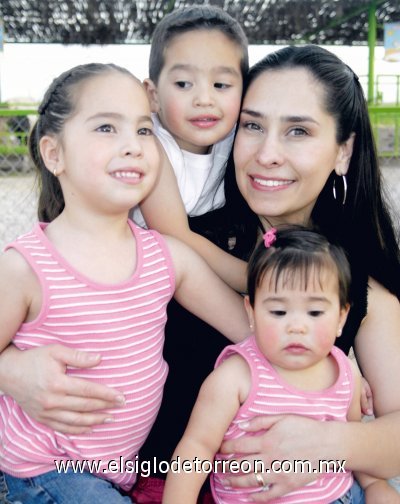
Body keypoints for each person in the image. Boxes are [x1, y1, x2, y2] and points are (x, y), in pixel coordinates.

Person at [1, 44, 399, 502]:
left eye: (298, 131)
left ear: (343, 150)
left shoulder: (362, 289)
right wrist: (11, 371)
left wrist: (327, 445)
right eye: (252, 125)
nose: (267, 153)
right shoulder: (178, 240)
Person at [0, 62, 250, 503]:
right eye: (105, 128)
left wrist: (323, 361)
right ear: (53, 154)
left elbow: (248, 329)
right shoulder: (26, 267)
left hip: (123, 471)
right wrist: (11, 371)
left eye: (143, 130)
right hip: (45, 473)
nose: (132, 146)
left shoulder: (166, 257)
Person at [163, 226, 399, 503]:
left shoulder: (347, 375)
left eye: (314, 312)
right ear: (251, 312)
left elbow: (352, 442)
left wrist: (374, 486)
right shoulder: (235, 378)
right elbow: (196, 447)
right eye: (278, 311)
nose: (296, 327)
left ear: (341, 318)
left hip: (339, 496)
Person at [133, 5, 249, 292]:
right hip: (142, 275)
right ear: (153, 95)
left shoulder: (235, 138)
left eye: (221, 84)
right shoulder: (153, 148)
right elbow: (176, 236)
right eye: (184, 83)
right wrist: (258, 279)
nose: (204, 99)